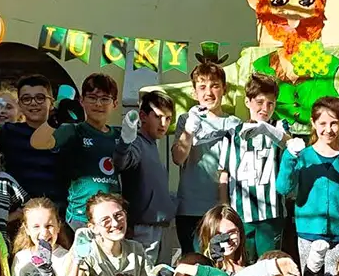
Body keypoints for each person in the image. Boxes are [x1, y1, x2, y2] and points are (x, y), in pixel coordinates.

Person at [277, 96, 339, 276]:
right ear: (313, 123)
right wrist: (289, 157)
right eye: (323, 123)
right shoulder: (303, 156)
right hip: (308, 234)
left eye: (334, 123)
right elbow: (284, 188)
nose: (328, 129)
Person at [29, 74, 122, 229]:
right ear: (81, 100)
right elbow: (37, 142)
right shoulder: (73, 130)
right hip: (81, 217)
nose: (98, 104)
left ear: (115, 103)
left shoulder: (120, 135)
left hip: (112, 217)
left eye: (105, 99)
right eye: (92, 98)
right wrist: (56, 119)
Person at [216, 73, 288, 260]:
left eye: (270, 104)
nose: (265, 108)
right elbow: (224, 174)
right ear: (247, 102)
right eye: (260, 102)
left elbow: (290, 145)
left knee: (269, 264)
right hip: (240, 215)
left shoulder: (279, 127)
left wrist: (267, 129)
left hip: (271, 214)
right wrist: (225, 209)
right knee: (242, 264)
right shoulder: (232, 134)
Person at [172, 61, 241, 253]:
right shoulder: (186, 119)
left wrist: (227, 206)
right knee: (192, 261)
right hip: (190, 207)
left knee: (219, 260)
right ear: (194, 92)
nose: (208, 92)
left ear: (224, 89)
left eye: (214, 86)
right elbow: (178, 158)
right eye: (202, 87)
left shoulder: (234, 123)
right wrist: (189, 130)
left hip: (222, 209)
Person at [114, 90, 177, 264]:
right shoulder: (136, 142)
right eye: (158, 116)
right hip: (142, 228)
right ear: (143, 116)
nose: (163, 123)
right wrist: (126, 139)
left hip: (160, 226)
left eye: (168, 118)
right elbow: (122, 162)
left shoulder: (152, 145)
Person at [0, 75, 67, 207]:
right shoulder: (8, 132)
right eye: (26, 99)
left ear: (51, 103)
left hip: (58, 208)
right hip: (19, 208)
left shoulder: (65, 133)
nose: (33, 103)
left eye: (40, 98)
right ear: (19, 104)